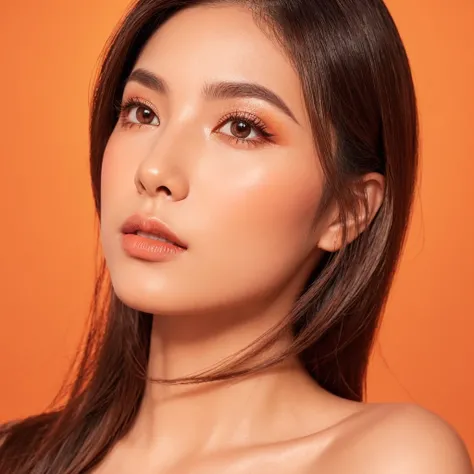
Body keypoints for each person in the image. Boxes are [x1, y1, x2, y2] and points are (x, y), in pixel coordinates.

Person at [0, 0, 472, 472]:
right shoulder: (16, 456)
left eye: (241, 127)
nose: (155, 169)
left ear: (346, 212)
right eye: (142, 113)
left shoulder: (387, 459)